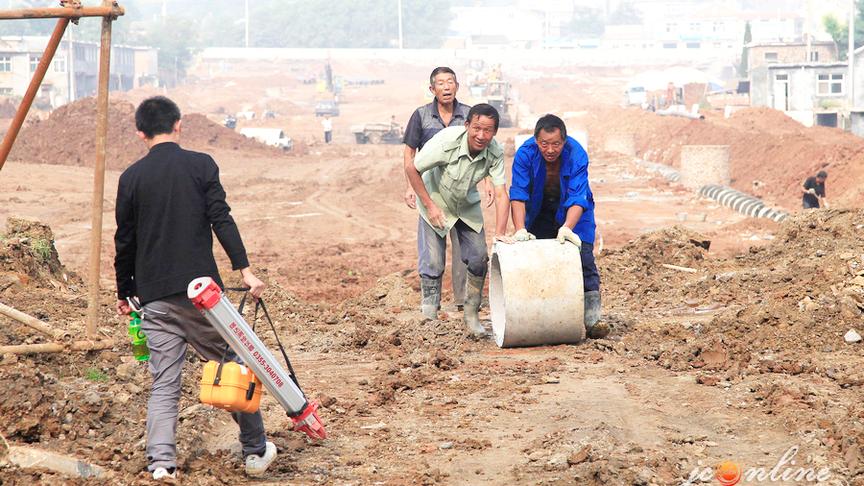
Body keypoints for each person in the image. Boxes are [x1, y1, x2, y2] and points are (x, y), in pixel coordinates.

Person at [114, 96, 277, 481]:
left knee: (164, 384)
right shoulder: (201, 165)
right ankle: (255, 452)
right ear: (179, 124)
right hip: (202, 296)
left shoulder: (131, 178)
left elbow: (125, 241)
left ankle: (160, 465)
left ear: (140, 132)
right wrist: (246, 271)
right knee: (234, 366)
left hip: (154, 298)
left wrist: (125, 291)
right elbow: (221, 219)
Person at [405, 103, 510, 336]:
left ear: (494, 132)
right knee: (432, 261)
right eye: (477, 128)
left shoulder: (495, 152)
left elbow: (502, 193)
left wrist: (501, 234)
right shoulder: (446, 142)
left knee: (478, 258)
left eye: (488, 130)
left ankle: (471, 315)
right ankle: (428, 317)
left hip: (465, 205)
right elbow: (412, 168)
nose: (481, 135)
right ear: (466, 126)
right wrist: (430, 206)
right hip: (435, 200)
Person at [507, 114, 608, 339]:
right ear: (536, 141)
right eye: (544, 144)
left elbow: (578, 195)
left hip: (574, 212)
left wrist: (568, 228)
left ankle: (592, 318)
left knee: (583, 258)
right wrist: (520, 228)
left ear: (564, 141)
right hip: (540, 209)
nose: (550, 150)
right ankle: (543, 314)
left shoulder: (577, 154)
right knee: (538, 261)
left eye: (556, 144)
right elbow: (518, 193)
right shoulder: (525, 154)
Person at [402, 66, 493, 311]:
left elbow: (483, 148)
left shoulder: (468, 114)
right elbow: (410, 154)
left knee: (470, 251)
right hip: (431, 191)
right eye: (441, 83)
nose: (446, 87)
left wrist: (486, 182)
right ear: (432, 89)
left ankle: (465, 305)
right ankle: (430, 309)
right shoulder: (421, 116)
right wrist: (411, 186)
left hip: (462, 193)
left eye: (450, 82)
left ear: (457, 87)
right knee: (431, 253)